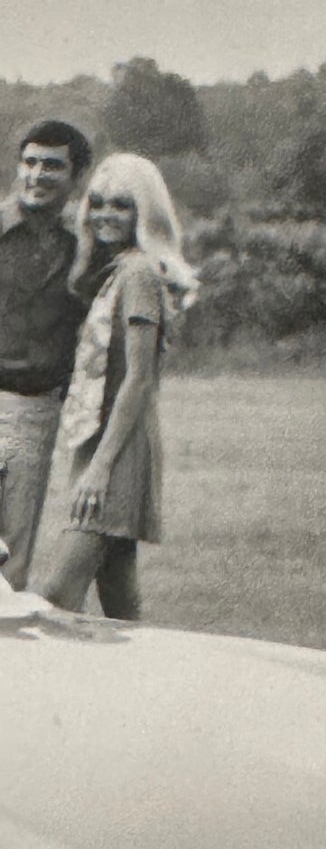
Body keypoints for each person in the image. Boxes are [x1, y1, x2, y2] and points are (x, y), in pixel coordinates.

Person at [42, 154, 197, 619]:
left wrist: (100, 469)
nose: (105, 214)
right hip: (102, 442)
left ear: (144, 212)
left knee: (59, 595)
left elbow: (139, 379)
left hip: (119, 450)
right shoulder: (118, 271)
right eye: (98, 203)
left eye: (122, 205)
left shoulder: (138, 275)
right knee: (118, 598)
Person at [0, 120, 92, 590]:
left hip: (38, 410)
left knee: (11, 561)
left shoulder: (84, 245)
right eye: (30, 162)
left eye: (53, 165)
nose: (37, 175)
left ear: (76, 176)